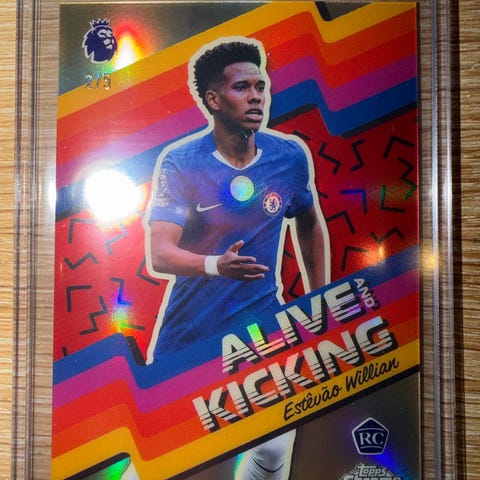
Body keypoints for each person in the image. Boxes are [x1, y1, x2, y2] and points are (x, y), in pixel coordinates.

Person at [144, 37, 330, 480]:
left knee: (273, 450)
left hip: (261, 329)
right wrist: (215, 266)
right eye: (242, 87)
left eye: (261, 86)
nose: (257, 97)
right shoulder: (181, 162)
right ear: (213, 99)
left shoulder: (289, 156)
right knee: (169, 463)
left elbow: (309, 221)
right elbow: (159, 253)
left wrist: (319, 298)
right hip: (191, 336)